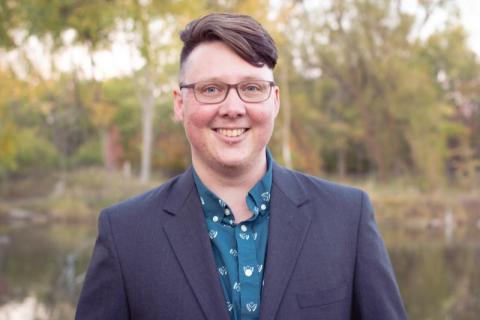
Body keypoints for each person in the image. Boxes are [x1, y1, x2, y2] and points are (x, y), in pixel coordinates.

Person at [75, 13, 407, 320]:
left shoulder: (347, 218)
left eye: (251, 88)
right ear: (179, 103)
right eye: (211, 89)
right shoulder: (125, 233)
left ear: (274, 101)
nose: (233, 107)